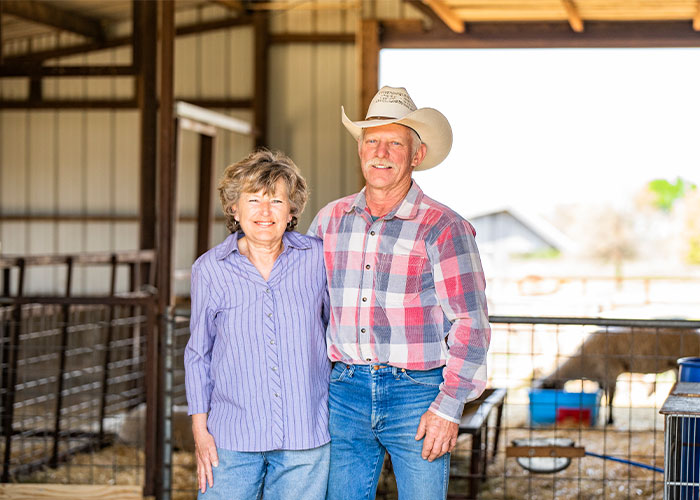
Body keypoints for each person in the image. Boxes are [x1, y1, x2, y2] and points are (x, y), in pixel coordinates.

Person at [308, 86, 491, 500]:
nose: (381, 152)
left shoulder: (444, 227)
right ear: (360, 150)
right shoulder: (329, 221)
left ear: (417, 155)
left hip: (418, 392)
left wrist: (448, 407)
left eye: (395, 143)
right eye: (372, 141)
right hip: (345, 389)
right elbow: (308, 308)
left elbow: (471, 323)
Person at [185, 149, 331, 499]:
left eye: (277, 201)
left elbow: (334, 330)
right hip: (231, 439)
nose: (265, 212)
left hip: (304, 436)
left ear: (292, 210)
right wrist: (200, 433)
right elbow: (198, 354)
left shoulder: (317, 259)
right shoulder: (209, 269)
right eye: (254, 200)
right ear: (234, 207)